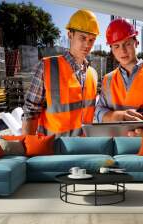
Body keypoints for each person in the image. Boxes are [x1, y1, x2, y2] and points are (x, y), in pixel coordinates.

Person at [22, 9, 100, 137]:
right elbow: (31, 112)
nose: (87, 44)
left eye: (92, 40)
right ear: (70, 35)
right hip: (53, 150)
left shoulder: (93, 74)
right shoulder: (46, 67)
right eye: (83, 37)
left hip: (84, 149)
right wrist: (28, 149)